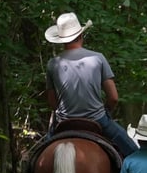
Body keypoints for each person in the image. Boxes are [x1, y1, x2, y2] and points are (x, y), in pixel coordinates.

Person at [44, 11, 138, 156]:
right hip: (97, 119)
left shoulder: (53, 63)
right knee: (134, 153)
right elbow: (113, 98)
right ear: (81, 35)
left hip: (64, 121)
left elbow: (52, 102)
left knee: (41, 154)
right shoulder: (98, 58)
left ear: (61, 40)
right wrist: (106, 110)